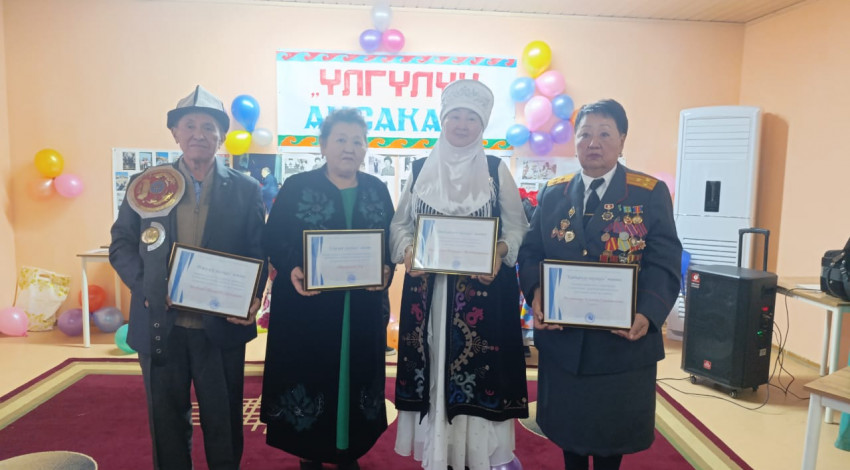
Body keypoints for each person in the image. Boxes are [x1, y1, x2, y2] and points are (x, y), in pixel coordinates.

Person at [517, 99, 682, 470]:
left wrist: (647, 313)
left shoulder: (648, 193)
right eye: (585, 134)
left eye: (605, 134)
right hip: (564, 344)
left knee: (611, 439)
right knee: (568, 435)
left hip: (620, 344)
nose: (594, 143)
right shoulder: (553, 192)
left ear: (622, 140)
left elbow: (665, 261)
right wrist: (537, 293)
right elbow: (531, 252)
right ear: (575, 141)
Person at [109, 85, 266, 469]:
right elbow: (121, 245)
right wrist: (146, 285)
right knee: (166, 423)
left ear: (221, 136)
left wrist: (252, 297)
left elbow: (257, 252)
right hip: (161, 324)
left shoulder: (246, 190)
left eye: (209, 127)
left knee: (224, 421)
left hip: (221, 327)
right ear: (175, 133)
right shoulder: (146, 185)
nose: (199, 134)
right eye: (190, 125)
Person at [390, 79, 529, 470]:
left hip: (481, 301)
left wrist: (498, 253)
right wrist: (407, 250)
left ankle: (477, 456)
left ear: (482, 125)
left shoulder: (496, 170)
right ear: (443, 120)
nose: (463, 125)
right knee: (433, 368)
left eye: (472, 118)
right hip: (429, 298)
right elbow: (400, 225)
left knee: (478, 375)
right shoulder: (420, 169)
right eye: (455, 116)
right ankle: (439, 454)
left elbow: (518, 228)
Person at [260, 108, 395, 470]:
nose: (349, 148)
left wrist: (387, 267)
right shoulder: (297, 186)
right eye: (341, 140)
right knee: (310, 374)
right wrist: (293, 266)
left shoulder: (377, 190)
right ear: (323, 145)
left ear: (365, 148)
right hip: (309, 309)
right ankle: (310, 452)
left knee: (356, 376)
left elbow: (391, 243)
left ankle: (348, 451)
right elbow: (273, 238)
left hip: (362, 310)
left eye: (357, 141)